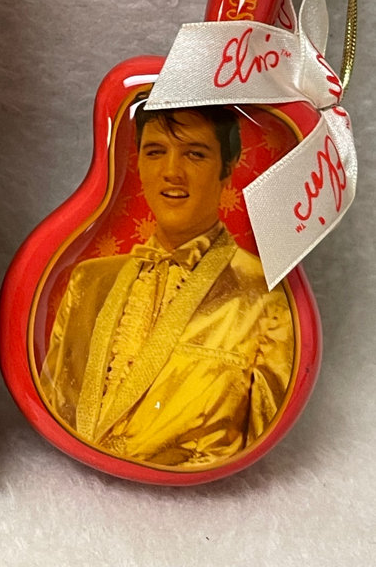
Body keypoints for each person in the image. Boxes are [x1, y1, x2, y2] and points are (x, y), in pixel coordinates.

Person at [40, 103, 294, 469]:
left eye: (195, 154)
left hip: (197, 497)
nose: (172, 172)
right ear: (138, 164)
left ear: (227, 168)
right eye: (155, 152)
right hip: (70, 480)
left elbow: (262, 444)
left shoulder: (265, 298)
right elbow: (52, 404)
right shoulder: (88, 281)